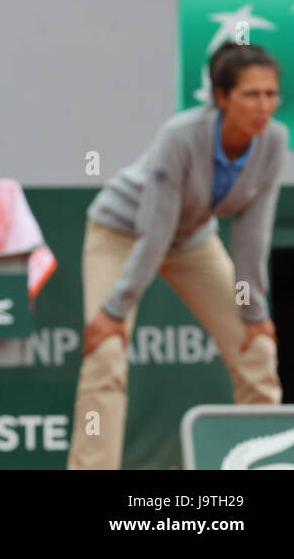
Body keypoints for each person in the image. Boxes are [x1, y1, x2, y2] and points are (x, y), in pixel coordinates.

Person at [68, 42, 285, 470]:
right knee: (106, 354)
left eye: (271, 94)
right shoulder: (181, 136)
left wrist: (252, 308)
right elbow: (154, 233)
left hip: (191, 240)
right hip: (121, 234)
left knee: (255, 347)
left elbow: (251, 238)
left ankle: (265, 463)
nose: (264, 106)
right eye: (250, 94)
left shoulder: (273, 142)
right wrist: (113, 311)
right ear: (221, 98)